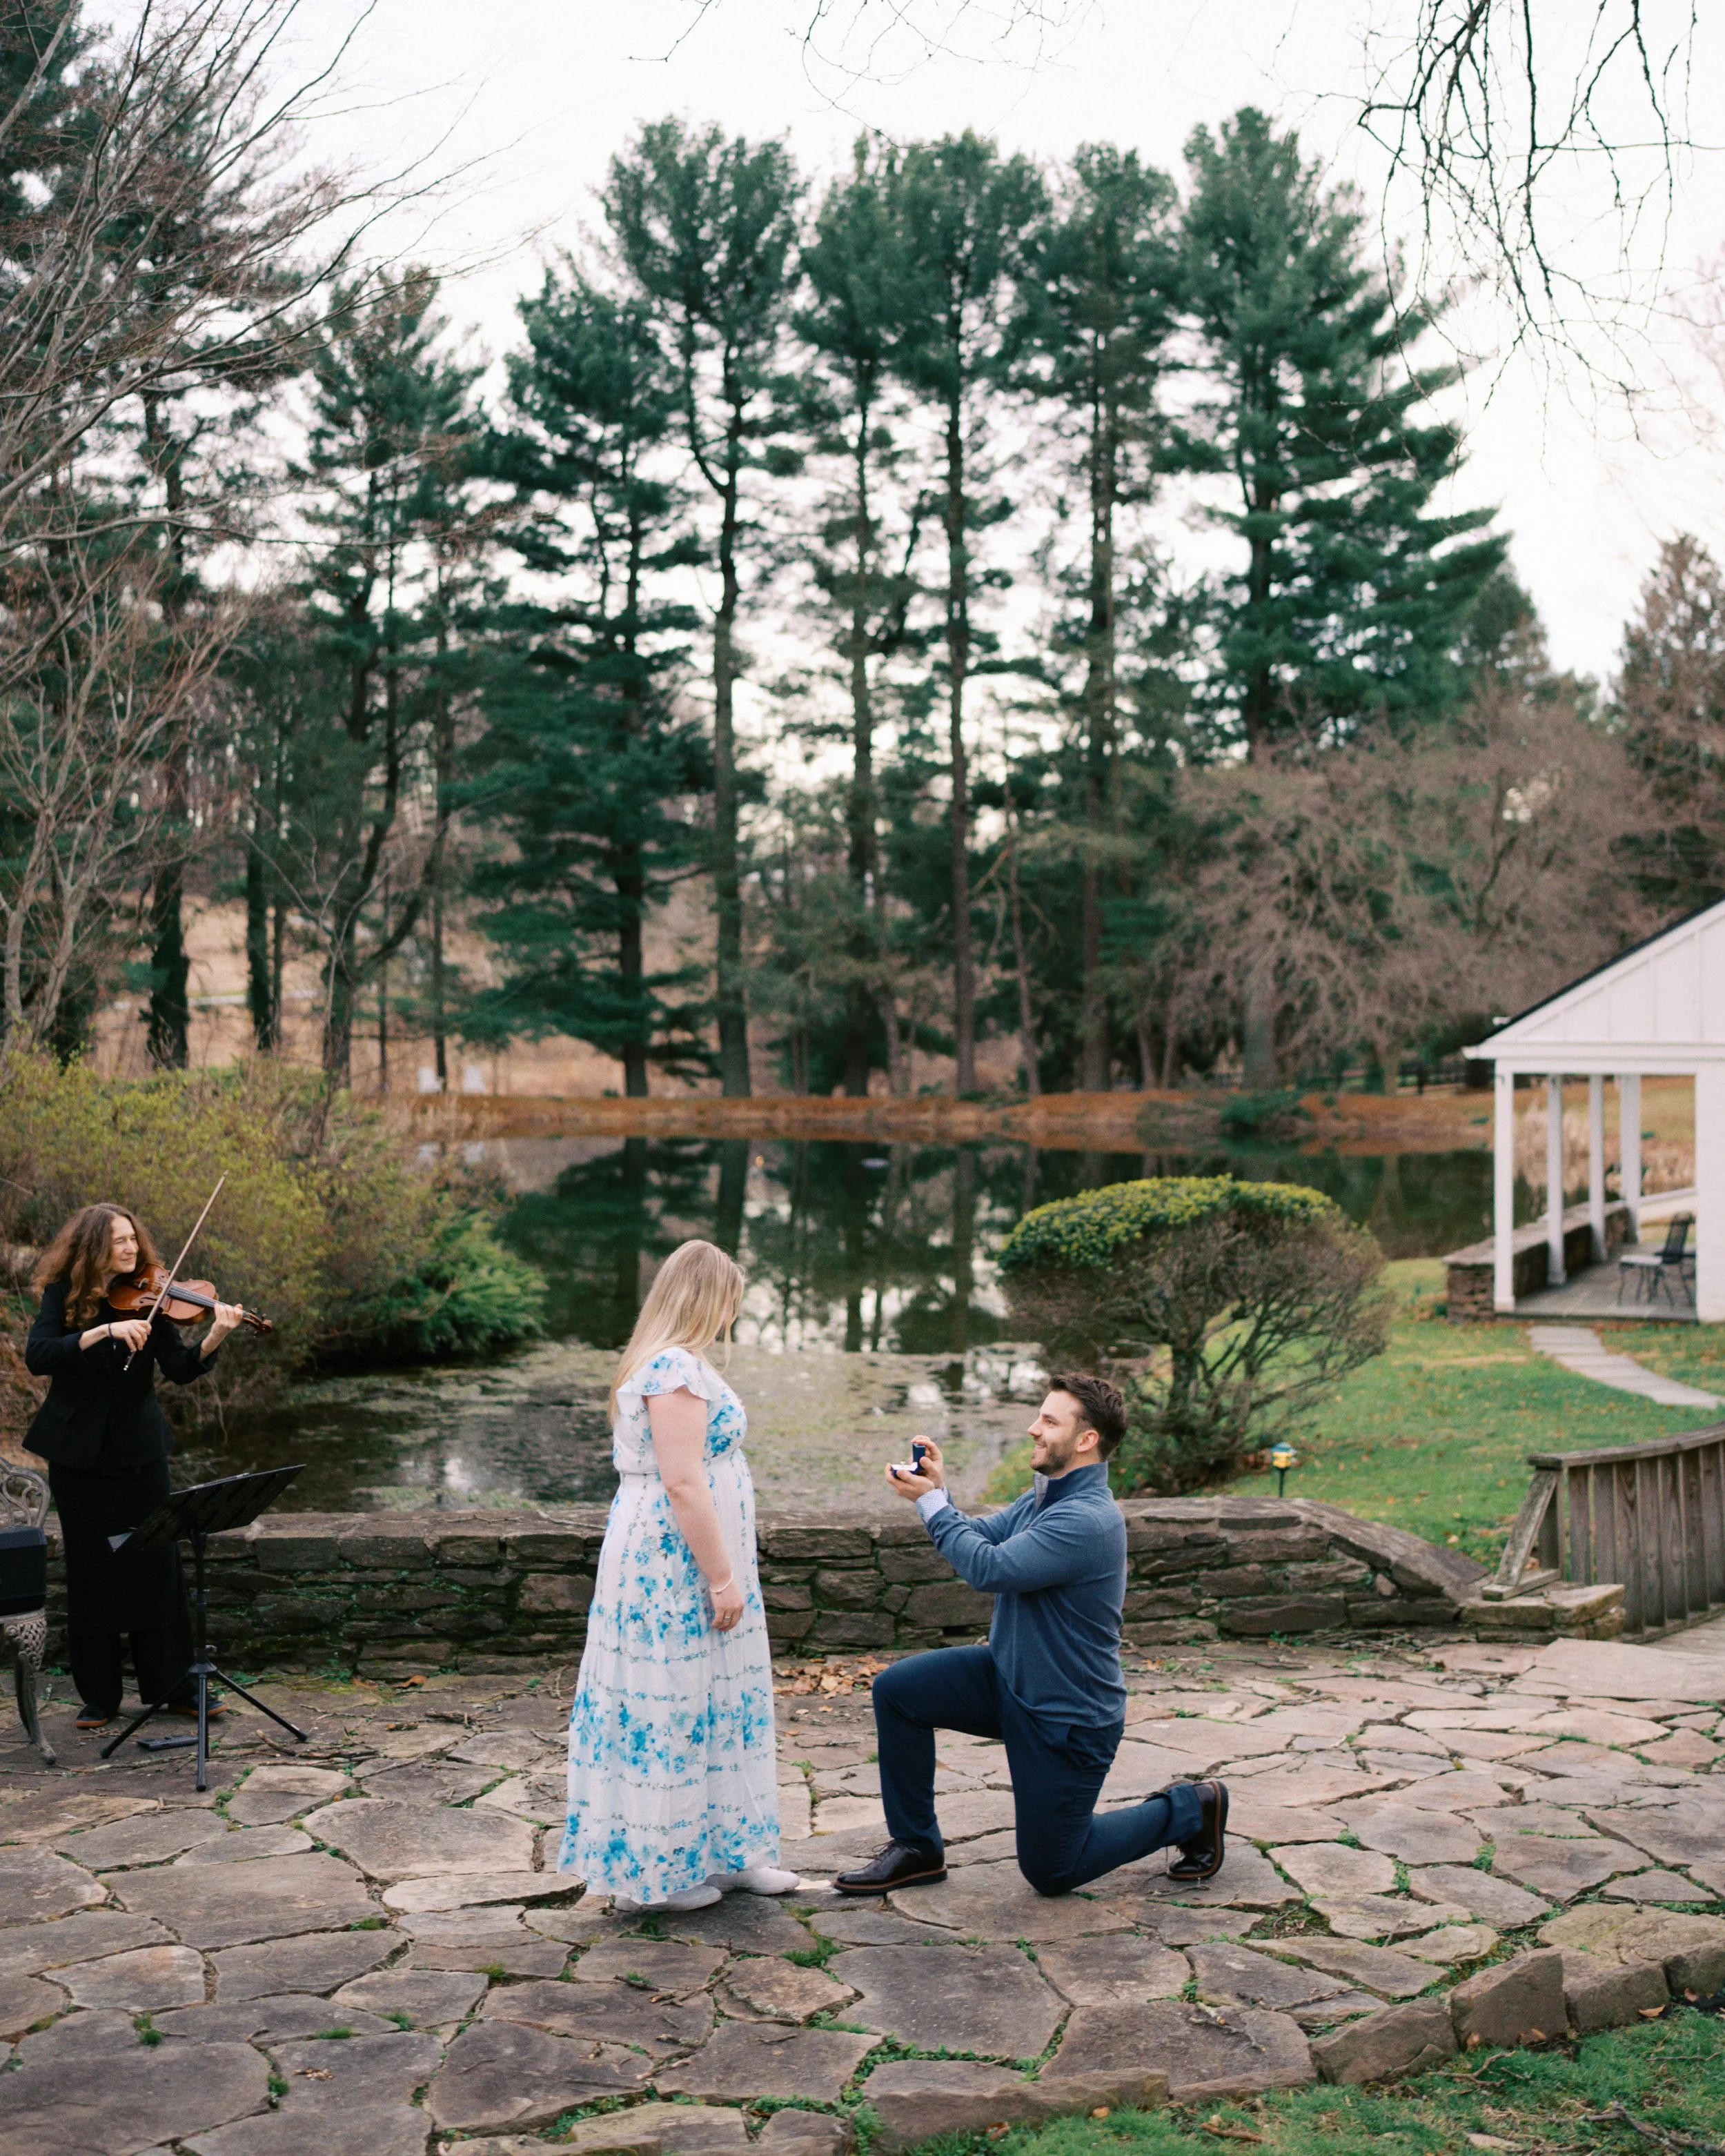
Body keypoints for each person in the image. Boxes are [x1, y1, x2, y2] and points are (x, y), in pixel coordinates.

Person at [834, 1372, 1228, 1899]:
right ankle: (917, 1848)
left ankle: (1192, 1808)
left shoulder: (1088, 1519)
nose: (1032, 1428)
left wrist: (932, 1505)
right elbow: (982, 1537)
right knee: (899, 1691)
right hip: (1009, 1679)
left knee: (1052, 1870)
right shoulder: (1045, 1496)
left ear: (1086, 1439)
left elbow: (990, 1568)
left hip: (1065, 1716)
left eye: (1048, 1420)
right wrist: (938, 1494)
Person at [560, 1238, 800, 1914]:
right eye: (730, 1298)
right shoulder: (673, 1369)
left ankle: (730, 1853)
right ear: (706, 1296)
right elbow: (683, 1482)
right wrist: (722, 1577)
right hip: (671, 1567)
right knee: (672, 1702)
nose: (733, 1313)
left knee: (719, 1698)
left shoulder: (679, 1362)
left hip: (690, 1558)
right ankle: (660, 1871)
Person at [25, 1203, 246, 1730]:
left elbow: (181, 1368)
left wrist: (216, 1334)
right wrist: (102, 1332)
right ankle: (100, 1696)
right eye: (118, 1241)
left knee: (157, 1565)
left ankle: (175, 1688)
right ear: (93, 1246)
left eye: (132, 1239)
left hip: (140, 1452)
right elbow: (39, 1355)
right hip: (78, 1455)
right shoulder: (63, 1293)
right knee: (92, 1570)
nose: (130, 1248)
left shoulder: (156, 1297)